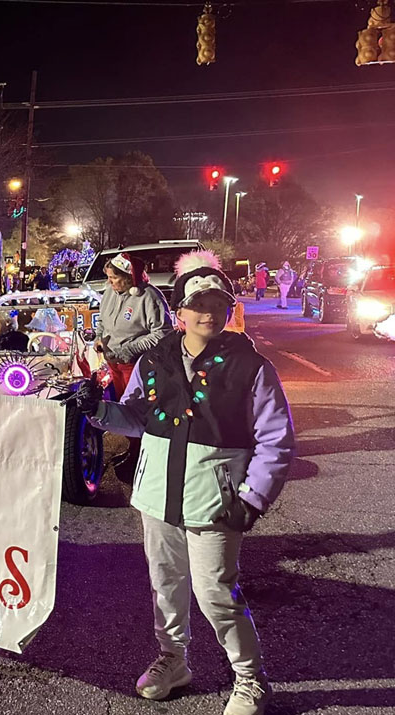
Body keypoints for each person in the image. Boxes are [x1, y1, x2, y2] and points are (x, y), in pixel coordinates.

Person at [75, 250, 293, 715]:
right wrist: (96, 409)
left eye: (218, 303)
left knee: (216, 592)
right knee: (165, 585)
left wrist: (252, 498)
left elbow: (275, 439)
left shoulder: (251, 366)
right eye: (198, 305)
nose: (209, 313)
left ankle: (250, 679)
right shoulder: (155, 359)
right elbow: (135, 417)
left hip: (216, 502)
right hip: (156, 496)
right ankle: (173, 660)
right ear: (180, 312)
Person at [95, 252, 174, 483]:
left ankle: (145, 455)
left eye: (114, 278)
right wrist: (99, 337)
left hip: (136, 365)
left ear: (129, 278)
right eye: (108, 278)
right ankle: (134, 449)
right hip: (113, 362)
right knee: (124, 408)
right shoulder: (110, 292)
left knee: (139, 410)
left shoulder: (150, 297)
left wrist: (130, 349)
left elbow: (162, 333)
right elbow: (102, 322)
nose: (109, 283)